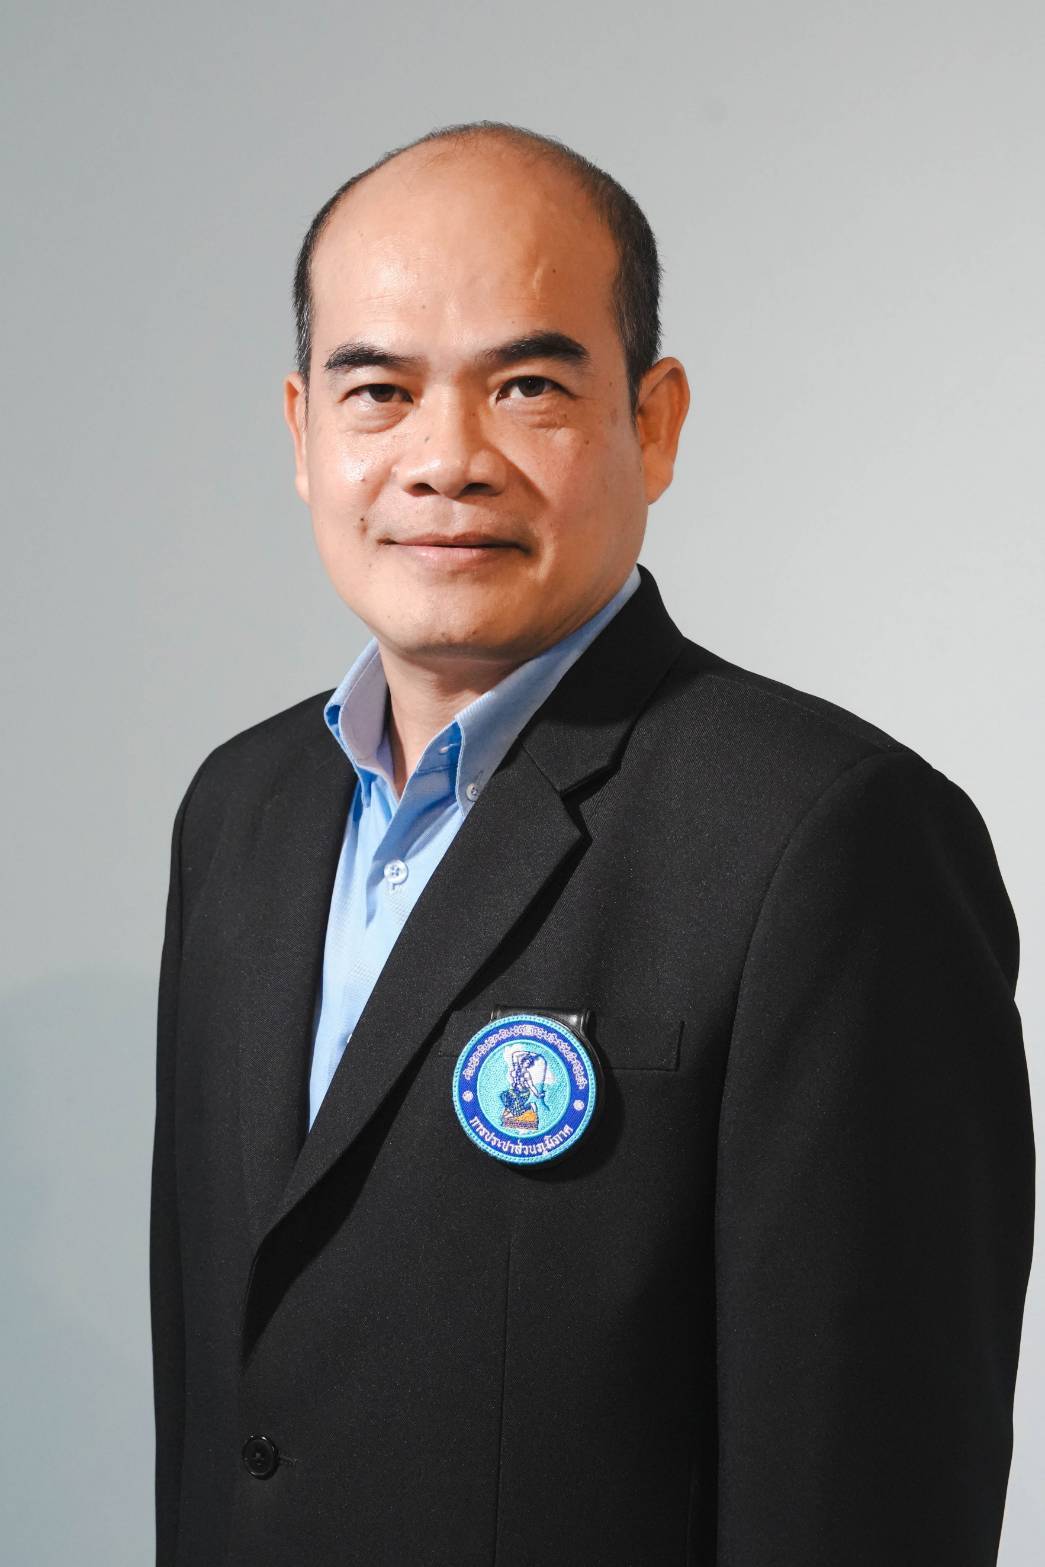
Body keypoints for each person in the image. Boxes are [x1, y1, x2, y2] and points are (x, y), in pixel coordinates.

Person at [150, 120, 1035, 1567]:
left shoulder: (831, 838)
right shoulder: (241, 812)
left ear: (654, 420)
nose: (445, 460)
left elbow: (867, 1489)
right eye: (379, 391)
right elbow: (228, 1409)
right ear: (304, 433)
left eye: (528, 386)